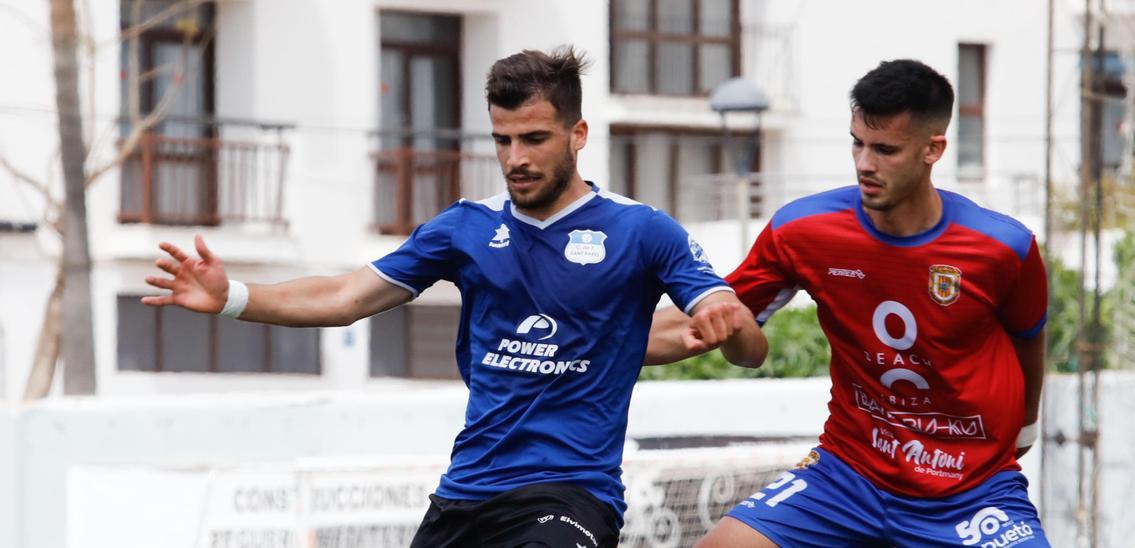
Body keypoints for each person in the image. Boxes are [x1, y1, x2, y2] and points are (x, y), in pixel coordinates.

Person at [143, 47, 767, 548]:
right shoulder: (464, 228)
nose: (515, 159)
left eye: (534, 139)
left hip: (569, 494)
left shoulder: (642, 230)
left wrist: (729, 322)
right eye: (502, 140)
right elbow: (343, 296)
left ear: (578, 135)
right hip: (465, 493)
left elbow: (749, 349)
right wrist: (234, 296)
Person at [648, 59, 1051, 547]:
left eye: (885, 149)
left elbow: (1029, 341)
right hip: (847, 478)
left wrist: (1025, 428)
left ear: (933, 149)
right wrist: (583, 340)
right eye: (857, 143)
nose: (865, 163)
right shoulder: (804, 230)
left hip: (971, 492)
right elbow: (716, 318)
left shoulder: (1002, 247)